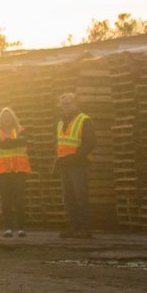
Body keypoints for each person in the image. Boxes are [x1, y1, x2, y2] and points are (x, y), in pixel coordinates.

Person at [55, 91, 95, 238]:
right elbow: (61, 143)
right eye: (63, 104)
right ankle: (74, 226)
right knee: (68, 197)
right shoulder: (61, 122)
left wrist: (76, 157)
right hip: (65, 164)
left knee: (80, 196)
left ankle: (85, 228)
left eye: (68, 104)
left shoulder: (84, 120)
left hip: (79, 164)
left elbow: (90, 143)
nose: (66, 107)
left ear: (76, 103)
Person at [0, 106, 30, 236]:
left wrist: (8, 142)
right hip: (1, 170)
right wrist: (15, 142)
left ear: (13, 119)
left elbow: (23, 141)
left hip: (19, 170)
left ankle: (21, 229)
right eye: (4, 117)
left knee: (19, 198)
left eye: (9, 117)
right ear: (0, 119)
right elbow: (1, 144)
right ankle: (8, 228)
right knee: (6, 199)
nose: (7, 119)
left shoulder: (21, 130)